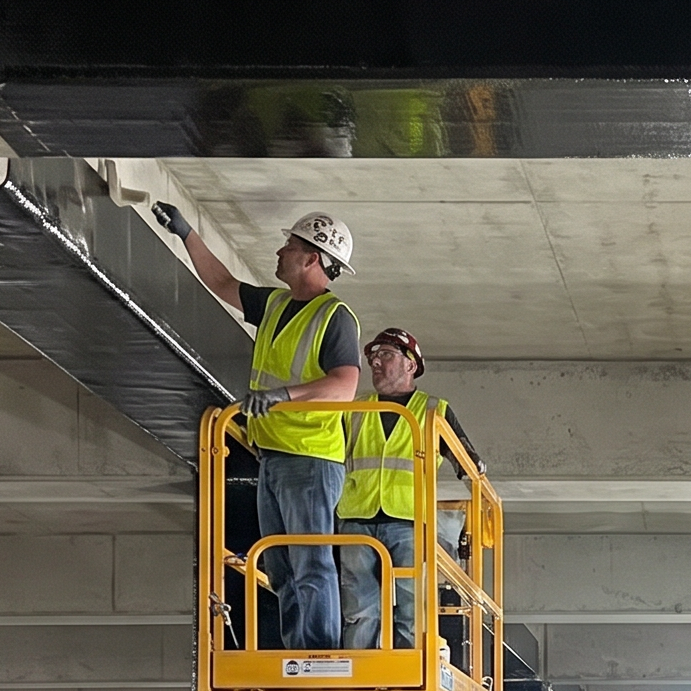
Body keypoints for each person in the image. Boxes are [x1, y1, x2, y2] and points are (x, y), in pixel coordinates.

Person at [155, 202, 361, 650]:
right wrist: (187, 233)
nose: (280, 250)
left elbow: (344, 386)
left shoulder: (334, 316)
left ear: (312, 258)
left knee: (309, 563)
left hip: (309, 458)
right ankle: (297, 656)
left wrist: (283, 396)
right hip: (273, 454)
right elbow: (223, 283)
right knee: (282, 567)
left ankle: (318, 656)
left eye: (290, 245)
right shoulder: (274, 304)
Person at [347, 327, 480, 651]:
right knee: (359, 608)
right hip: (355, 519)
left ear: (411, 365)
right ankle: (356, 675)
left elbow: (468, 462)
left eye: (386, 355)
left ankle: (410, 675)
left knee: (413, 609)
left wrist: (474, 471)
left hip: (408, 521)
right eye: (373, 357)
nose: (376, 363)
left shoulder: (434, 409)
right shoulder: (354, 408)